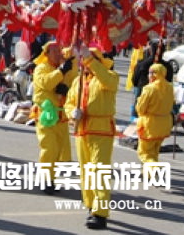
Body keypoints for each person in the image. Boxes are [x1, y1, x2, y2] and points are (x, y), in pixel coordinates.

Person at [65, 47, 119, 230]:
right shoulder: (78, 81)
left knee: (99, 171)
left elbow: (108, 81)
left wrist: (92, 60)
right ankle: (91, 205)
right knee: (86, 171)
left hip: (101, 130)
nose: (85, 63)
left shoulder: (109, 76)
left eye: (89, 59)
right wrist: (72, 113)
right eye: (84, 60)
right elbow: (69, 102)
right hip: (82, 130)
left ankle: (100, 213)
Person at [32, 41, 77, 194]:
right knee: (49, 149)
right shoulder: (41, 68)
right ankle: (45, 179)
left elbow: (74, 83)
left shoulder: (64, 68)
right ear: (47, 53)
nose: (59, 53)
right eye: (55, 51)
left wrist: (67, 87)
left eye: (60, 50)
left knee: (59, 151)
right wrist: (60, 72)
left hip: (61, 115)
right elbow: (46, 83)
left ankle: (51, 178)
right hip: (46, 115)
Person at [136, 63, 174, 164]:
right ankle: (150, 175)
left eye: (149, 73)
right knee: (154, 152)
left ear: (154, 74)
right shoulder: (170, 87)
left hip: (150, 124)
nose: (148, 76)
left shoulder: (149, 89)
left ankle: (153, 169)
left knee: (144, 153)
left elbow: (140, 108)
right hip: (164, 124)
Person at [131, 40, 173, 119]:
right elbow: (169, 81)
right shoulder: (168, 66)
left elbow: (134, 81)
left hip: (142, 97)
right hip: (161, 108)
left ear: (150, 50)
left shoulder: (141, 64)